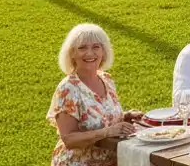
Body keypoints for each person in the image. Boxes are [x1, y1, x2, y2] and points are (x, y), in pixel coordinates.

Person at [48, 24, 143, 166]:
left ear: (104, 52)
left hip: (113, 160)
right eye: (82, 48)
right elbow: (69, 139)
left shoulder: (106, 80)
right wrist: (108, 131)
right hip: (78, 162)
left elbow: (100, 115)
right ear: (72, 53)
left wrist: (124, 116)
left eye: (96, 47)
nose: (90, 53)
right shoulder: (68, 89)